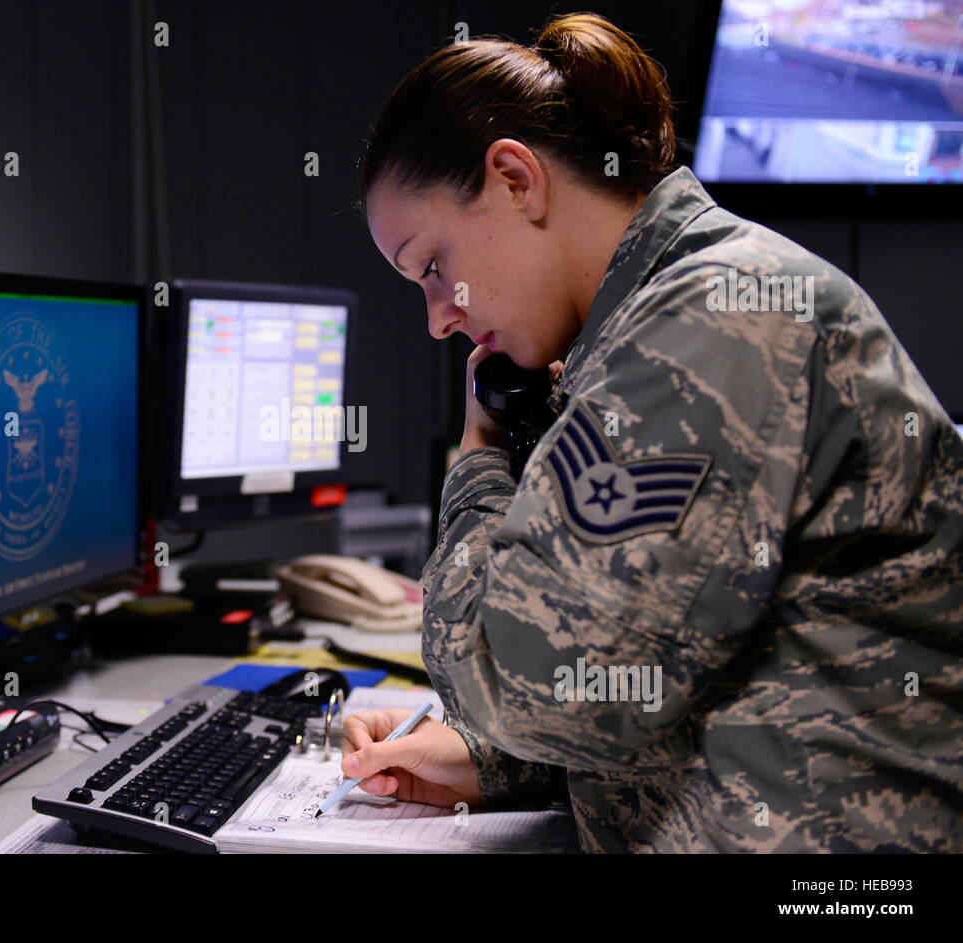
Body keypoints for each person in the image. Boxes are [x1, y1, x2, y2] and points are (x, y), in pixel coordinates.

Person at [341, 12, 963, 852]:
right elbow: (668, 676)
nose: (438, 318)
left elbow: (532, 686)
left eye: (435, 267)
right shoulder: (649, 328)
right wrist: (489, 762)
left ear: (516, 179)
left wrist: (480, 452)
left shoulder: (712, 320)